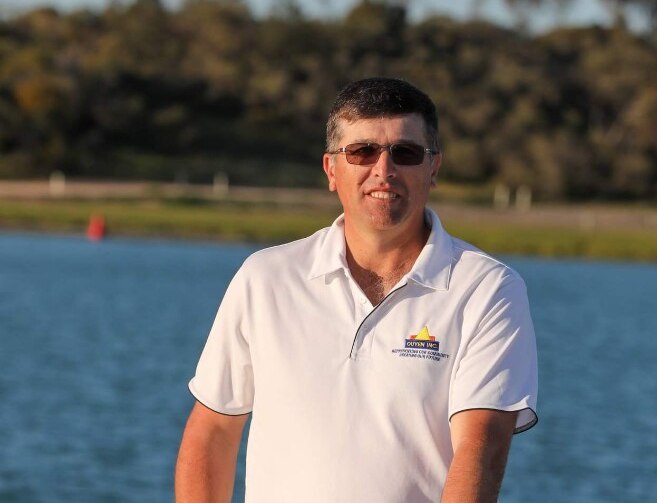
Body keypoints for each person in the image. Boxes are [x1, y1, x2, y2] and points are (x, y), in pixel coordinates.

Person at [175, 77, 538, 503]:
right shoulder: (264, 278)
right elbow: (212, 431)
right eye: (362, 151)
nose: (383, 170)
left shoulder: (488, 290)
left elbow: (481, 450)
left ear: (433, 168)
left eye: (404, 153)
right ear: (332, 169)